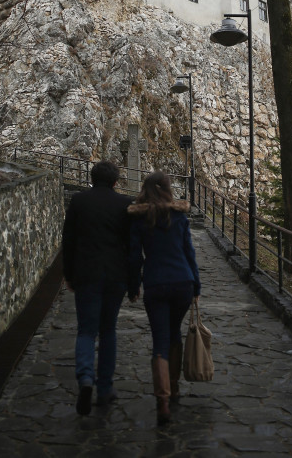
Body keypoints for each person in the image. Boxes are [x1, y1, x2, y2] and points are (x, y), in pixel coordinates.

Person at [128, 171, 201, 425]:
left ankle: (163, 400)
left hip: (156, 283)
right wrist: (197, 286)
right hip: (182, 282)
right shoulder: (179, 217)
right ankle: (175, 386)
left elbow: (135, 256)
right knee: (174, 333)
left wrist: (133, 285)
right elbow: (189, 253)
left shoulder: (139, 219)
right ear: (168, 189)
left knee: (160, 339)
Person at [62, 160, 132, 416]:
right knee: (108, 330)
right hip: (115, 275)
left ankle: (85, 379)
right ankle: (104, 388)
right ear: (115, 182)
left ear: (92, 178)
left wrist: (68, 273)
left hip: (86, 274)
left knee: (86, 330)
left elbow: (68, 240)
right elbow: (131, 245)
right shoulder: (124, 204)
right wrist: (134, 280)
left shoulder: (79, 201)